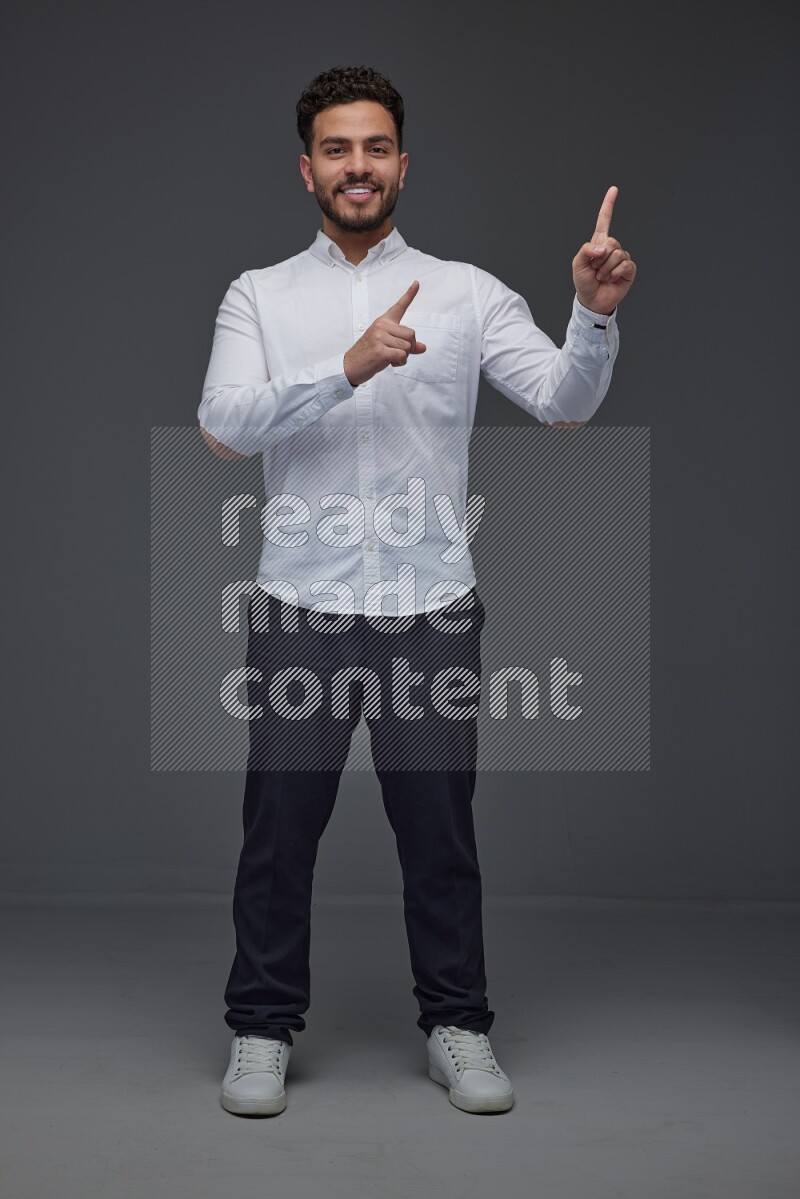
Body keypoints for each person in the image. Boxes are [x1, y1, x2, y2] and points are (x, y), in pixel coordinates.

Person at [199, 65, 637, 1118]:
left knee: (438, 828)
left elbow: (562, 404)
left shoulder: (468, 291)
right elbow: (221, 427)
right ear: (307, 167)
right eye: (338, 149)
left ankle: (457, 1022)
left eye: (377, 147)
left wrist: (590, 316)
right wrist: (342, 368)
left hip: (428, 608)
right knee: (278, 827)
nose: (359, 166)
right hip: (301, 605)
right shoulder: (258, 293)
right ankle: (261, 1027)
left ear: (403, 162)